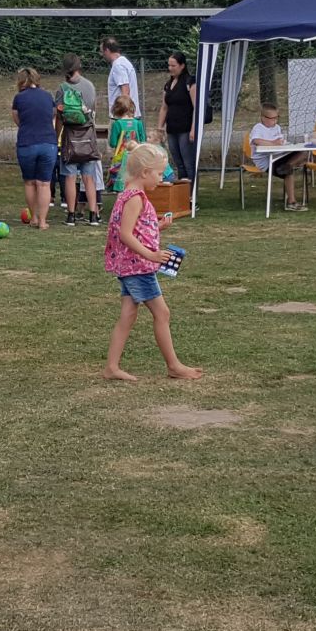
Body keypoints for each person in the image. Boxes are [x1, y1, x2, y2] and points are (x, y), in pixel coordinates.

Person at [102, 144, 200, 382]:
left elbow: (136, 228)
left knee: (128, 314)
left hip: (130, 266)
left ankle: (112, 367)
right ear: (145, 172)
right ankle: (174, 366)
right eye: (159, 173)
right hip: (137, 267)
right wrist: (152, 255)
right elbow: (125, 234)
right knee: (162, 313)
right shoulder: (135, 198)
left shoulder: (127, 193)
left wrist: (158, 226)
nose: (162, 178)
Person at [57, 54, 103, 225]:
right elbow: (93, 111)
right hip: (88, 136)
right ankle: (93, 215)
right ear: (79, 67)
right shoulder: (89, 86)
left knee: (70, 177)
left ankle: (71, 215)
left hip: (70, 136)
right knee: (88, 177)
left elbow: (59, 116)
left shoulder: (62, 88)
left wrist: (57, 135)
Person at [11, 67, 58, 230]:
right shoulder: (47, 96)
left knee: (30, 182)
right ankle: (43, 221)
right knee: (44, 183)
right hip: (48, 143)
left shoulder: (19, 98)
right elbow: (53, 115)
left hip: (27, 142)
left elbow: (17, 119)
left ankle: (34, 218)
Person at [248, 103, 307, 210]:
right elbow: (257, 141)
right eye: (272, 118)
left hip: (279, 156)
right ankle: (291, 202)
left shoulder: (277, 128)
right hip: (266, 161)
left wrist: (286, 144)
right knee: (288, 172)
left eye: (276, 118)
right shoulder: (258, 128)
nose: (275, 121)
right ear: (263, 118)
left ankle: (287, 165)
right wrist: (273, 143)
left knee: (303, 152)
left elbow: (280, 141)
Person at [161, 50, 197, 185]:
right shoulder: (168, 85)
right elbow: (164, 107)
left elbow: (196, 107)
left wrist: (193, 129)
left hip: (185, 128)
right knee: (178, 162)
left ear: (182, 66)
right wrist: (160, 127)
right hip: (172, 128)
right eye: (169, 65)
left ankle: (192, 191)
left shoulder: (190, 82)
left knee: (188, 162)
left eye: (173, 65)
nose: (170, 68)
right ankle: (182, 190)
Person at [106, 94, 146, 191]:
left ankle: (121, 195)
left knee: (121, 180)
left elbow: (113, 143)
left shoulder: (117, 124)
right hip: (136, 155)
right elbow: (143, 140)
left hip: (121, 157)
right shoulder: (138, 123)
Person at [102, 36, 140, 120]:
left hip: (122, 116)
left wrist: (124, 117)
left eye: (103, 52)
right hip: (129, 115)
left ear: (107, 50)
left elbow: (125, 90)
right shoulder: (124, 62)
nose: (103, 55)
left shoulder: (118, 65)